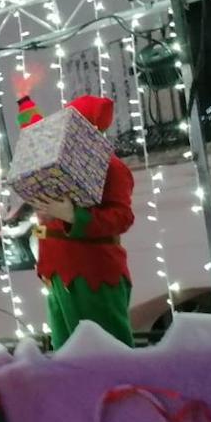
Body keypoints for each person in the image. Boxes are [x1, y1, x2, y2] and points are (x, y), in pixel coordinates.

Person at [24, 95, 135, 349]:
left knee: (104, 348)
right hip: (56, 271)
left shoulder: (112, 168)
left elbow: (122, 217)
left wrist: (74, 217)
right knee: (66, 351)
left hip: (92, 272)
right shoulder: (59, 166)